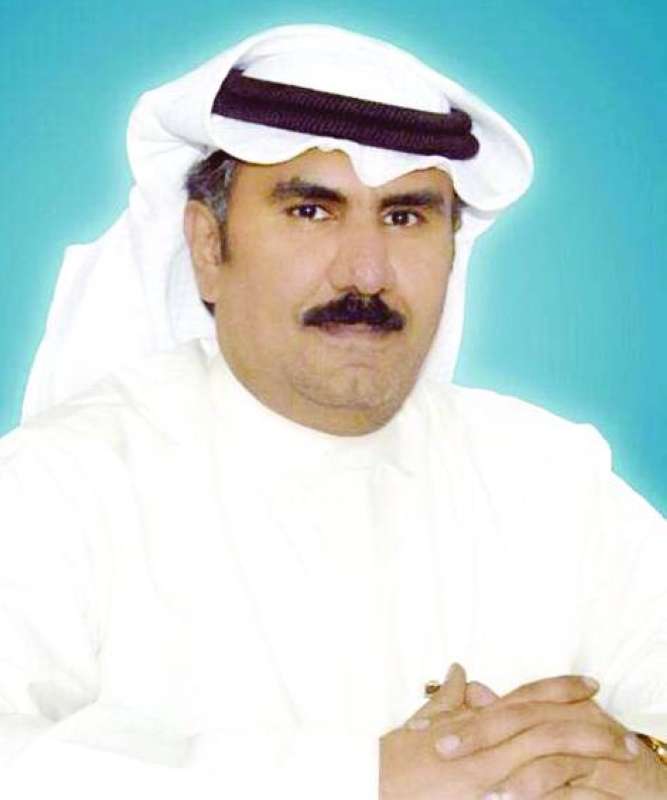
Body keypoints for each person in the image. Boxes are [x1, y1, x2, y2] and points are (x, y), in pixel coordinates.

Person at [1, 22, 666, 799]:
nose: (365, 273)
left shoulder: (550, 477)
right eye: (311, 212)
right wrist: (364, 780)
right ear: (209, 247)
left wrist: (641, 769)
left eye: (404, 217)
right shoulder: (58, 484)